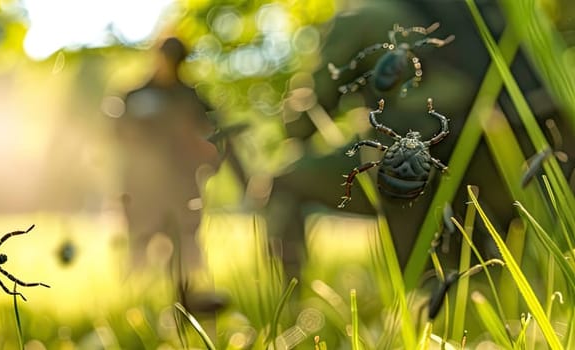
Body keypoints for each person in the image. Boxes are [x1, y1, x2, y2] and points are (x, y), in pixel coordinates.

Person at [267, 0, 572, 276]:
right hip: (522, 168)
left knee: (283, 181)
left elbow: (304, 120)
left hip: (424, 176)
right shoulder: (498, 12)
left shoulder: (365, 16)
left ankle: (286, 300)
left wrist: (293, 107)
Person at [113, 37, 221, 302]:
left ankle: (186, 302)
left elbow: (212, 137)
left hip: (182, 183)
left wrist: (209, 156)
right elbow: (117, 132)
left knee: (186, 243)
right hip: (141, 185)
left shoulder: (191, 97)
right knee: (140, 241)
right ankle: (132, 306)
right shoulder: (134, 95)